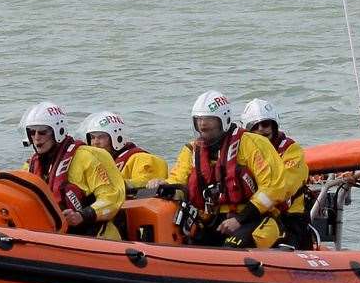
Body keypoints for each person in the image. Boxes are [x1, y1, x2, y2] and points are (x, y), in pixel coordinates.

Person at [159, 91, 290, 248]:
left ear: (224, 120)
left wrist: (240, 219)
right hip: (212, 220)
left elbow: (274, 187)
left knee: (232, 248)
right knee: (192, 246)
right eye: (199, 119)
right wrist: (164, 185)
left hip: (255, 217)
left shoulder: (252, 143)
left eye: (208, 119)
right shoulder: (192, 150)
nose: (202, 124)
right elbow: (178, 179)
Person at [18, 101, 126, 239]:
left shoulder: (87, 157)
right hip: (53, 236)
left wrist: (82, 215)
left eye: (42, 132)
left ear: (58, 131)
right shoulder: (32, 165)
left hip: (96, 237)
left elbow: (112, 197)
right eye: (32, 132)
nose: (36, 137)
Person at [239, 97, 314, 249]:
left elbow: (282, 187)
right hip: (254, 215)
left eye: (266, 124)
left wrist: (249, 212)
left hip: (288, 219)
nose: (261, 129)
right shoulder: (243, 152)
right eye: (254, 126)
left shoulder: (291, 151)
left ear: (274, 126)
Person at [80, 111, 169, 193]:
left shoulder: (141, 158)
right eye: (92, 137)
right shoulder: (100, 164)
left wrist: (120, 184)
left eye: (101, 137)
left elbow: (148, 181)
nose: (95, 142)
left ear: (116, 137)